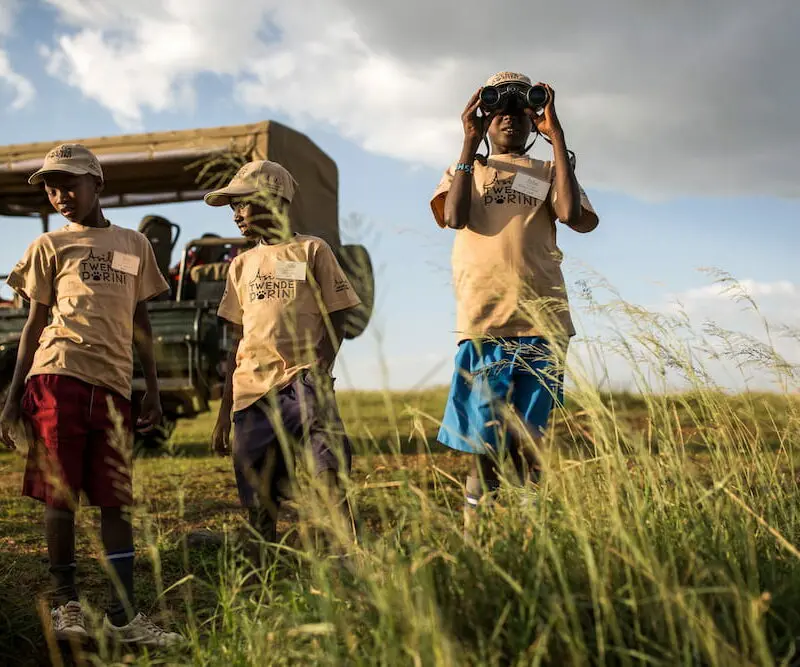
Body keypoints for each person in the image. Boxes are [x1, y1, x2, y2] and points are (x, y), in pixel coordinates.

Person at [0, 144, 183, 647]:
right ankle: (66, 606)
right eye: (52, 187)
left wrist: (150, 390)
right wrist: (13, 398)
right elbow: (34, 323)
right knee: (61, 498)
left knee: (115, 501)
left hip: (115, 387)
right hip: (57, 377)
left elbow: (141, 322)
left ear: (96, 184)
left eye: (70, 184)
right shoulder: (49, 247)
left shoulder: (133, 244)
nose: (60, 195)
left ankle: (125, 617)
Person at [430, 72, 600, 528]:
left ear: (532, 120)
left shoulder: (548, 171)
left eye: (518, 109)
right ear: (484, 120)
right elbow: (454, 215)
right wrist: (468, 145)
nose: (508, 116)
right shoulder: (466, 170)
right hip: (485, 323)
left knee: (529, 439)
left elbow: (571, 215)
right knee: (484, 442)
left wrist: (557, 137)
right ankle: (477, 535)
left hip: (543, 325)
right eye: (496, 108)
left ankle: (530, 538)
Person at [206, 159, 361, 551]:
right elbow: (237, 342)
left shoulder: (311, 250)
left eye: (243, 203)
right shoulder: (240, 266)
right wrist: (225, 413)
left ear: (274, 199)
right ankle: (263, 570)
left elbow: (338, 316)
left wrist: (320, 372)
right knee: (259, 494)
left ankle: (345, 555)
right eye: (233, 208)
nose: (237, 215)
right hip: (251, 395)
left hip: (303, 382)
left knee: (328, 468)